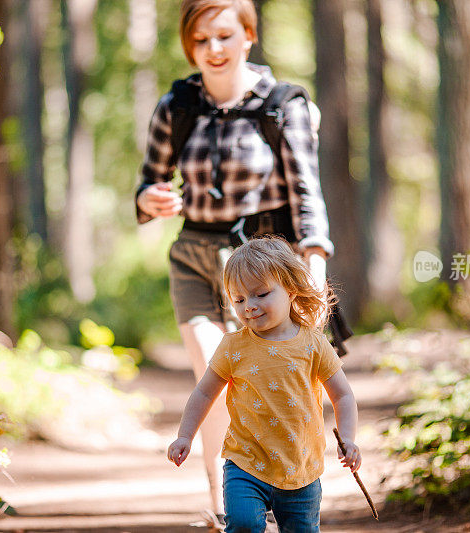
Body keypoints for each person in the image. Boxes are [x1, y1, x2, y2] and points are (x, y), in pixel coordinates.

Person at [134, 0, 334, 522]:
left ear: (248, 35)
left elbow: (307, 194)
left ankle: (288, 488)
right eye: (200, 41)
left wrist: (314, 268)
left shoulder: (283, 103)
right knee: (215, 369)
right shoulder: (176, 105)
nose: (213, 50)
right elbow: (149, 180)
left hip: (267, 261)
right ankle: (225, 507)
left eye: (224, 36)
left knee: (279, 378)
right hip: (197, 258)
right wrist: (148, 200)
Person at [167, 237, 360, 532]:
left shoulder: (313, 343)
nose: (250, 307)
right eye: (239, 299)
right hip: (245, 463)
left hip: (301, 467)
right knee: (243, 524)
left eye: (261, 294)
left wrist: (348, 438)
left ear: (291, 289)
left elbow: (343, 396)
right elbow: (204, 392)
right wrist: (185, 436)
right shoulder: (233, 346)